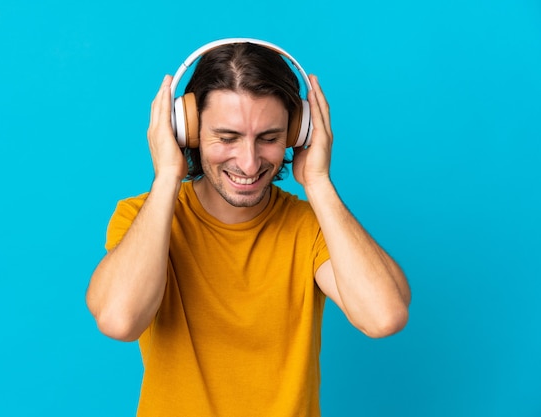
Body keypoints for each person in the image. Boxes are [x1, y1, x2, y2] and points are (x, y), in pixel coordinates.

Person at [86, 39, 411, 417]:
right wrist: (166, 178)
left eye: (270, 138)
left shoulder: (310, 227)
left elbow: (384, 316)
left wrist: (319, 181)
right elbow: (119, 320)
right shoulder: (145, 216)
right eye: (227, 138)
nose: (250, 161)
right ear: (186, 131)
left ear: (297, 134)